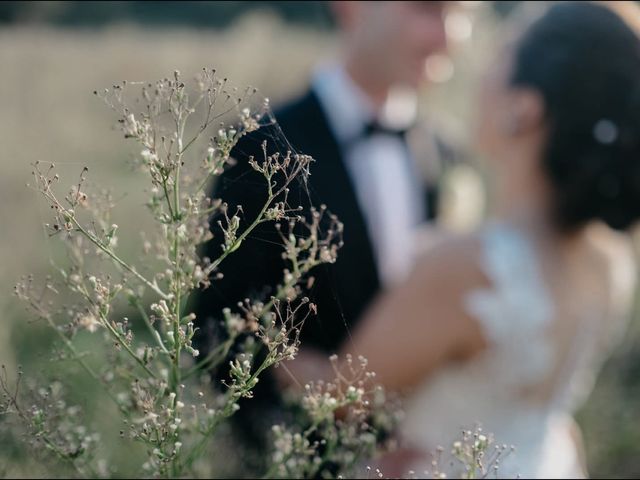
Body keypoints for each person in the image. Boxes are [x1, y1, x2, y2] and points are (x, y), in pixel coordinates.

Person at [279, 2, 640, 477]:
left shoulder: (470, 267)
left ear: (523, 108)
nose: (479, 72)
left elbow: (337, 397)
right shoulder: (609, 261)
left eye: (501, 58)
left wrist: (259, 337)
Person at [193, 1, 461, 450]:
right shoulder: (262, 147)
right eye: (427, 9)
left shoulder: (447, 152)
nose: (449, 36)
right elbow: (216, 327)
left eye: (461, 12)